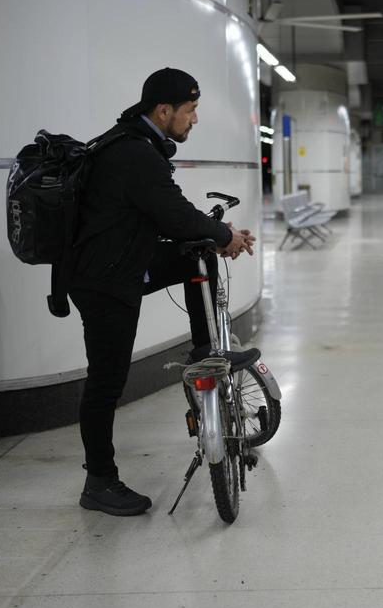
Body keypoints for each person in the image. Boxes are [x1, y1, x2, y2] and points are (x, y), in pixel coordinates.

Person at [69, 67, 257, 516]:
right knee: (105, 382)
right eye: (190, 111)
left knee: (196, 253)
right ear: (164, 110)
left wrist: (213, 234)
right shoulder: (135, 154)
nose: (194, 119)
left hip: (124, 264)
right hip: (105, 280)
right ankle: (99, 482)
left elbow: (171, 216)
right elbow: (173, 214)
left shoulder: (135, 144)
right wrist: (222, 234)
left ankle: (204, 351)